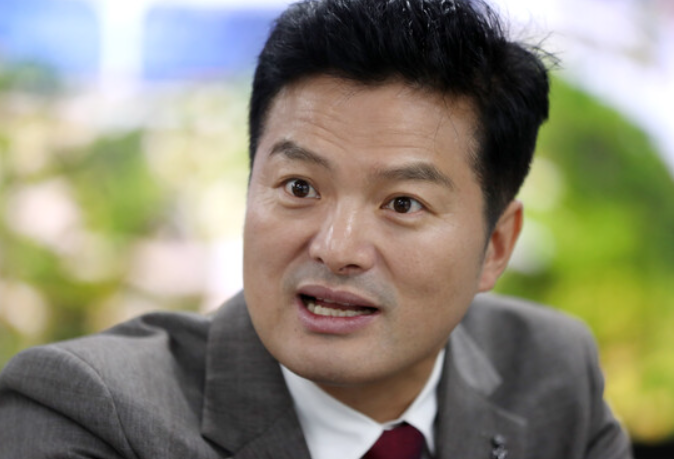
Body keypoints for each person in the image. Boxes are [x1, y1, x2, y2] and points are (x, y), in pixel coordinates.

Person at [0, 0, 632, 458]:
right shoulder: (86, 410)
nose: (336, 248)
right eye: (300, 188)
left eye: (403, 203)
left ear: (496, 246)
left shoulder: (553, 372)